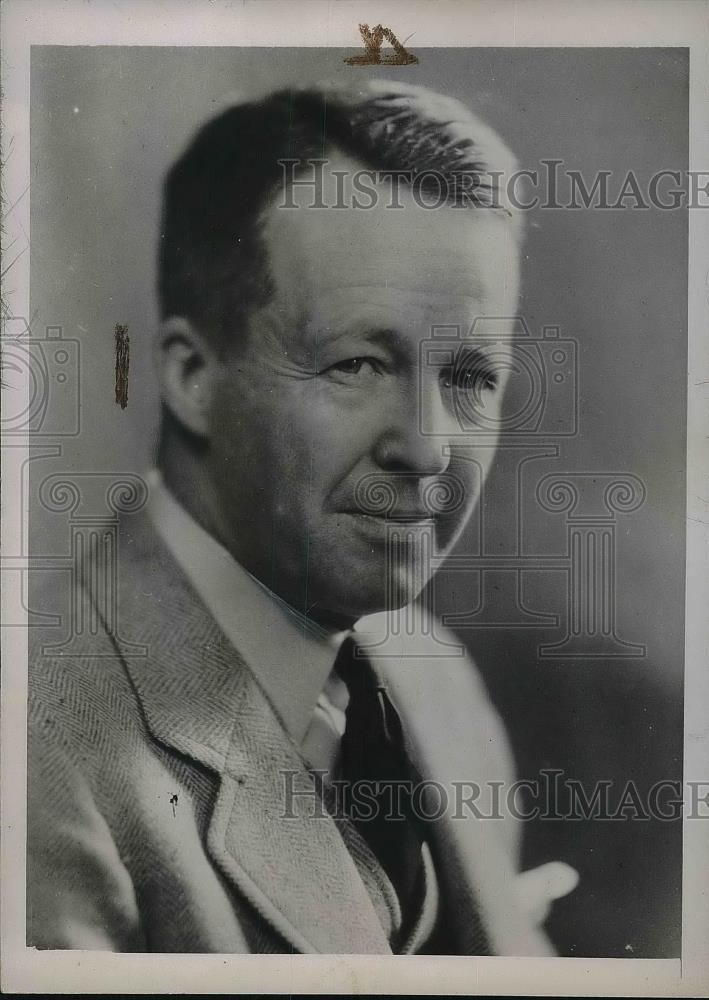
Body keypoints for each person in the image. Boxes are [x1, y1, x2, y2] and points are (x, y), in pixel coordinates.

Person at [27, 80, 576, 954]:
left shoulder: (431, 678)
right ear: (191, 377)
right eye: (360, 364)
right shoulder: (34, 752)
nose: (428, 446)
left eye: (470, 376)